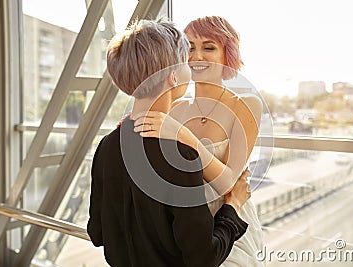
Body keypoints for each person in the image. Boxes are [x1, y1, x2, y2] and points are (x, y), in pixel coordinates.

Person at [87, 19, 252, 267]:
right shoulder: (180, 154)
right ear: (174, 77)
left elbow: (97, 233)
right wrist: (233, 207)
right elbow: (203, 257)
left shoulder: (107, 146)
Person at [133, 16, 265, 266]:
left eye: (209, 47)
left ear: (228, 56)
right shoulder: (173, 108)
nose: (196, 56)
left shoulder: (246, 105)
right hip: (182, 231)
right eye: (190, 47)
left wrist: (183, 136)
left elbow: (228, 183)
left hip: (228, 227)